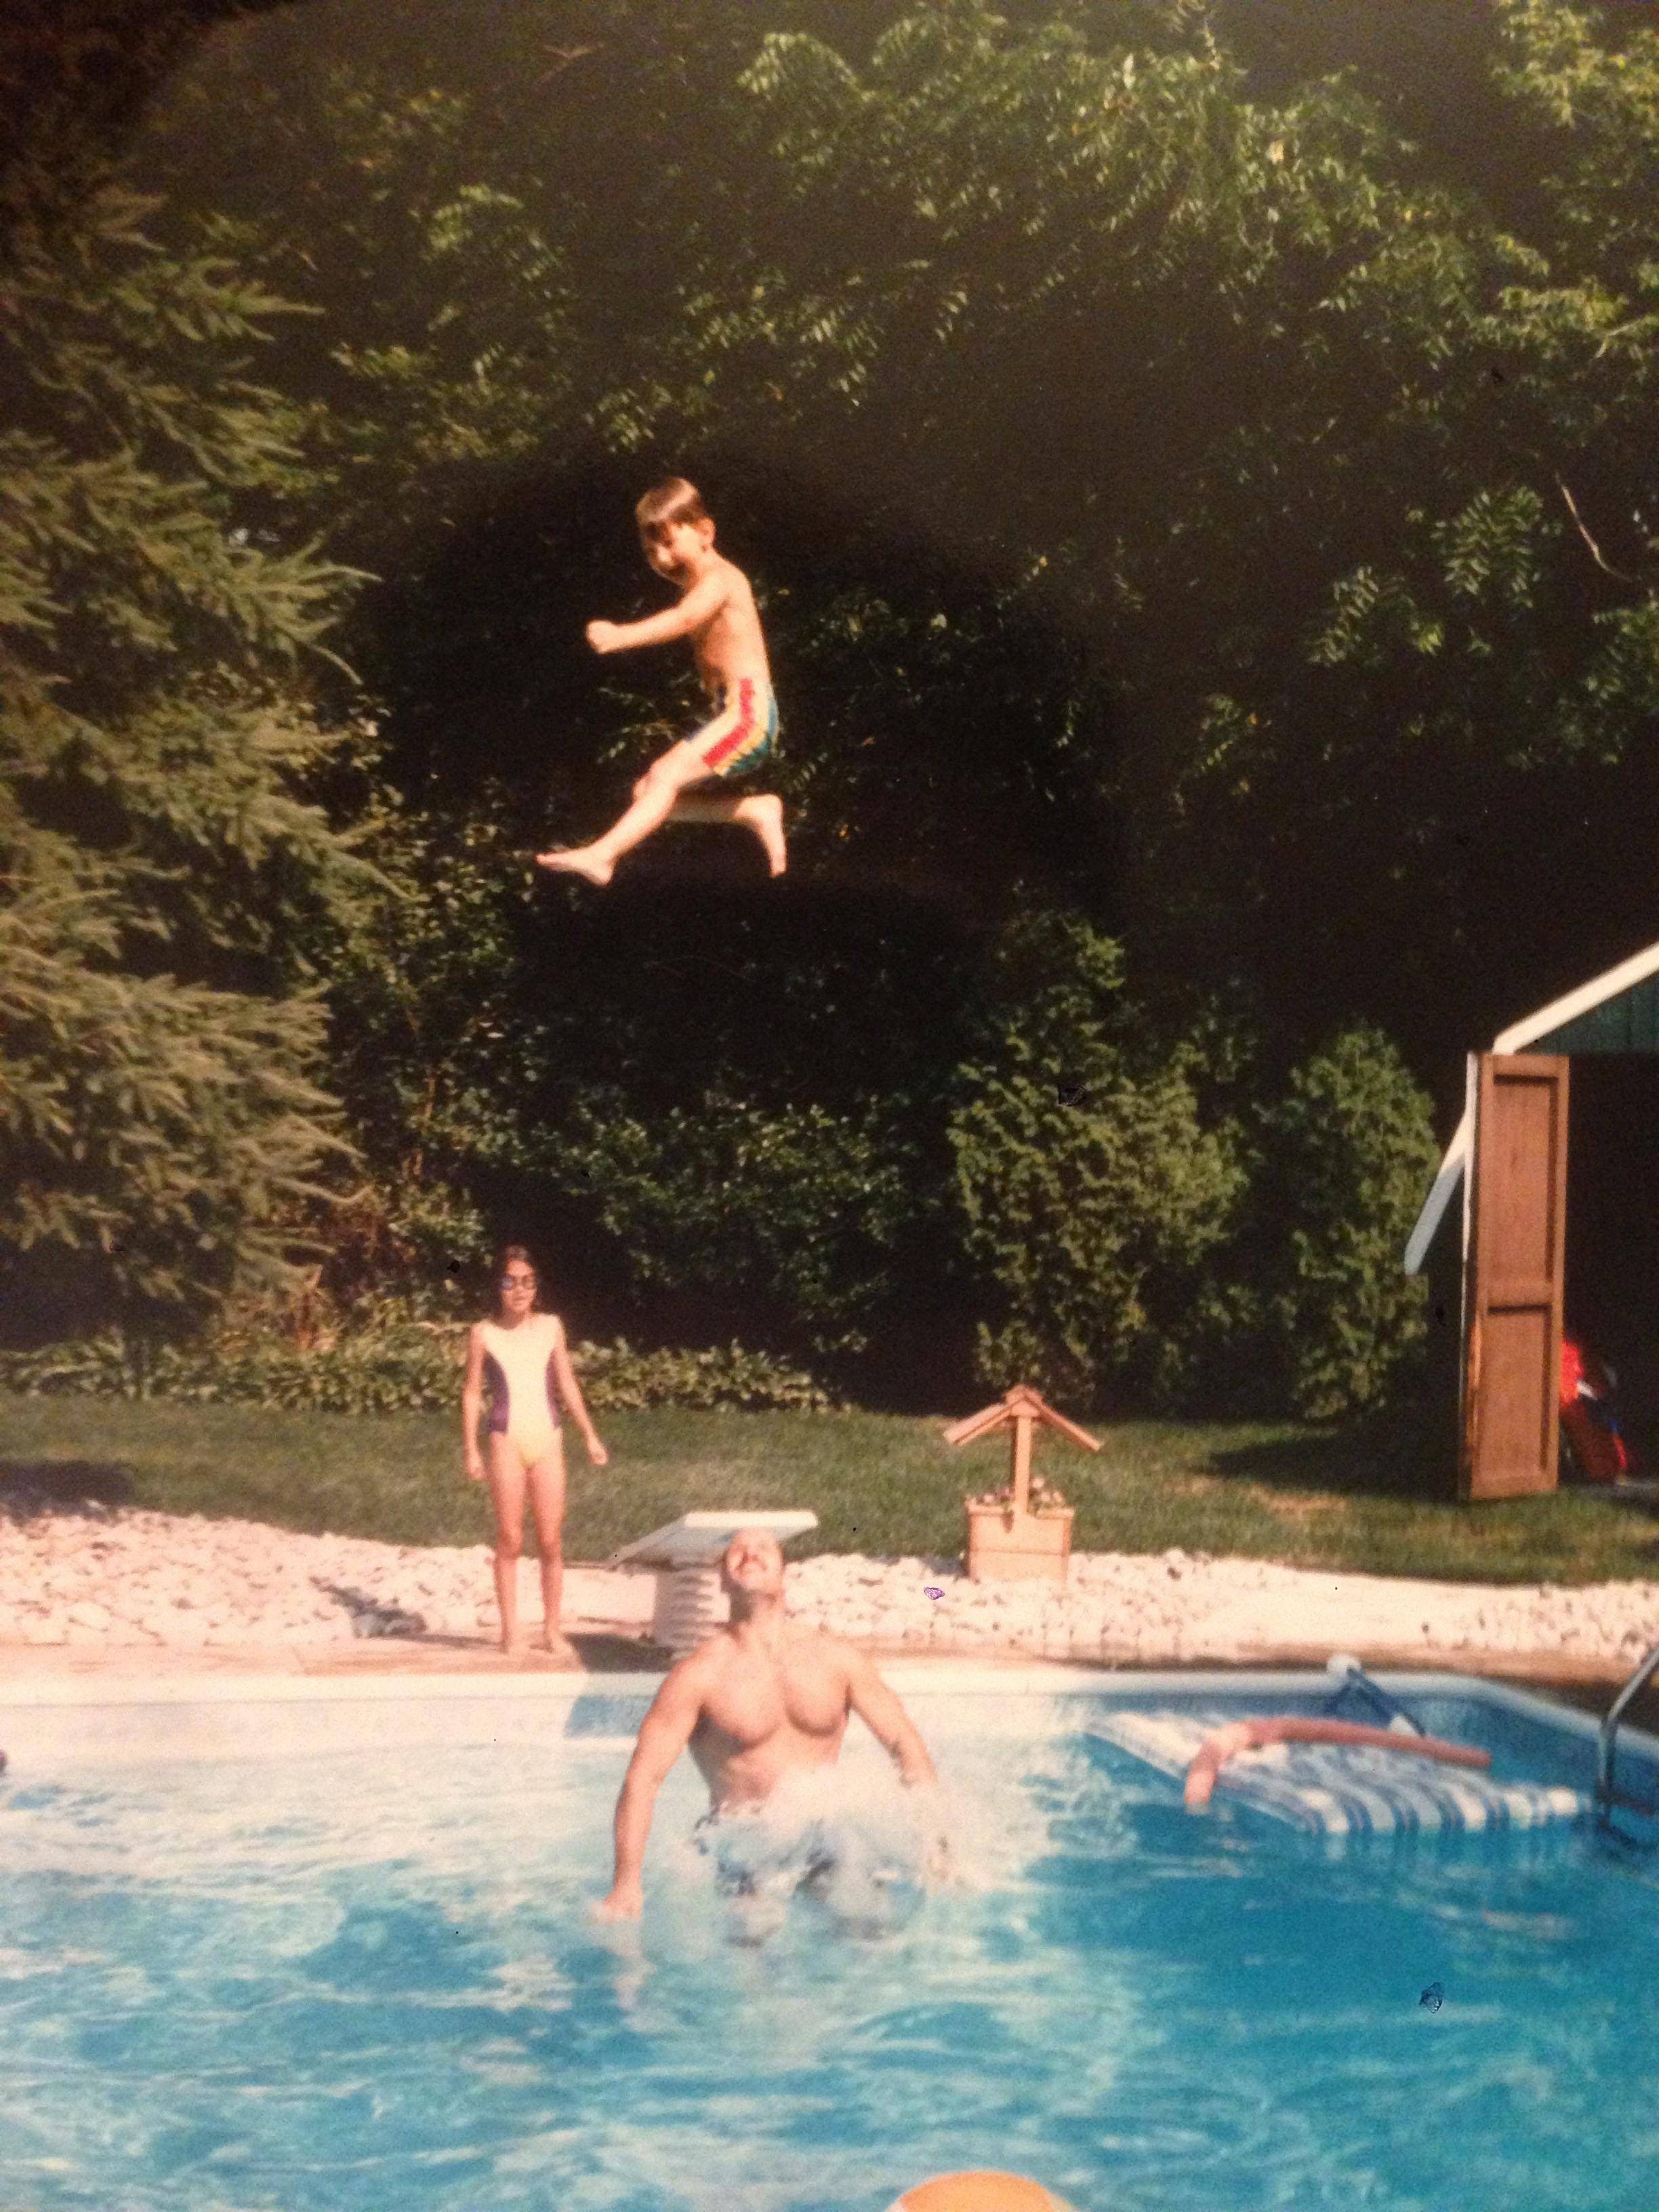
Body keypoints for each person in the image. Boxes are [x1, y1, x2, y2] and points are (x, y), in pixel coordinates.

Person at [595, 1527, 947, 1923]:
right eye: (737, 1551)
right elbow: (644, 1779)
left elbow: (902, 1741)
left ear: (784, 1574)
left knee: (871, 1928)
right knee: (752, 1947)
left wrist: (935, 1843)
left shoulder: (836, 1659)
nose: (750, 1554)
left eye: (763, 1548)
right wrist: (626, 1883)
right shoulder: (698, 1675)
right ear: (722, 1580)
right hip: (742, 1840)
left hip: (823, 1831)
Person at [535, 477, 786, 884]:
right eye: (652, 552)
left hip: (748, 713)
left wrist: (620, 636)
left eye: (670, 544)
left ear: (706, 532)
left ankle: (602, 855)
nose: (663, 558)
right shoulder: (699, 582)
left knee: (664, 777)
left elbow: (684, 619)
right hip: (732, 712)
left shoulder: (720, 579)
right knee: (648, 790)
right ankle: (753, 810)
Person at [461, 1245, 608, 1658]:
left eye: (527, 1282)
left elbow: (567, 1383)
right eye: (510, 1282)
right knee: (509, 1538)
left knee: (551, 1540)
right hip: (506, 1440)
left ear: (536, 1287)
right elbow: (472, 1393)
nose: (520, 1290)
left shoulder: (551, 1327)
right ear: (498, 1287)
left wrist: (590, 1435)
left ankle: (551, 1629)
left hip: (548, 1440)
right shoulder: (483, 1334)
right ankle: (510, 1630)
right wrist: (471, 1449)